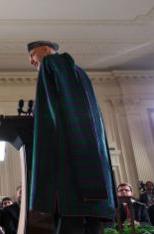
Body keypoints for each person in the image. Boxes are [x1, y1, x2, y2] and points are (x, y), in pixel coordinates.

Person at [27, 40, 116, 233]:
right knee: (92, 225)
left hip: (68, 168)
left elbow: (55, 111)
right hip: (91, 166)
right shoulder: (80, 73)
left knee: (69, 225)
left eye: (32, 55)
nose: (31, 61)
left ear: (45, 50)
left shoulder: (53, 63)